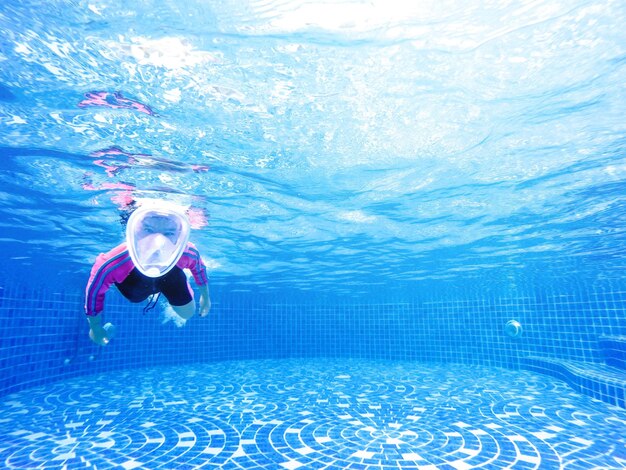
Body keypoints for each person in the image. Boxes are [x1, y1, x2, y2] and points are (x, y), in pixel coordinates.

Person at [84, 202, 211, 345]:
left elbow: (199, 270)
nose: (158, 243)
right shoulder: (110, 263)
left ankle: (173, 285)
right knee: (136, 297)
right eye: (148, 230)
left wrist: (205, 298)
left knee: (188, 314)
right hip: (133, 282)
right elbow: (94, 292)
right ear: (133, 231)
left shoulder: (188, 252)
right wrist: (94, 327)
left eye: (169, 233)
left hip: (171, 279)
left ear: (180, 236)